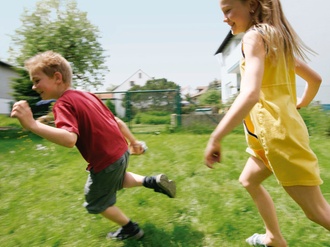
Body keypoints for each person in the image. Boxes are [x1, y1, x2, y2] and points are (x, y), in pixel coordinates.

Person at [11, 50, 176, 241]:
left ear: (57, 77)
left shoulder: (63, 104)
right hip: (121, 152)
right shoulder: (87, 95)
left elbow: (69, 139)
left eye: (37, 80)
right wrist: (133, 142)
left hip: (105, 160)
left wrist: (32, 125)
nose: (33, 86)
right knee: (116, 180)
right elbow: (117, 121)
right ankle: (151, 181)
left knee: (96, 202)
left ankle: (131, 229)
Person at [204, 0, 330, 246]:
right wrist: (297, 105)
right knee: (249, 180)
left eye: (228, 10)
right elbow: (315, 80)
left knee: (318, 212)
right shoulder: (274, 40)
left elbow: (250, 93)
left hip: (279, 138)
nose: (224, 18)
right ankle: (273, 238)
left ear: (251, 6)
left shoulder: (253, 38)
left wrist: (215, 137)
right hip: (270, 135)